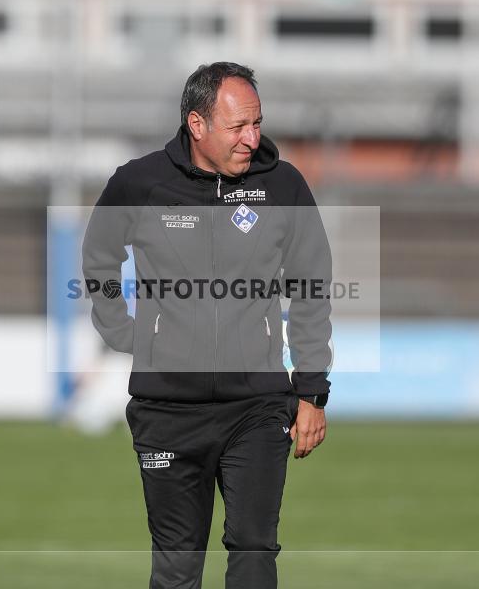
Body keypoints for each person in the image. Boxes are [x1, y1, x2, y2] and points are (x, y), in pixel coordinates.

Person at [82, 62, 332, 589]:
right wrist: (120, 330)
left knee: (254, 552)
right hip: (165, 409)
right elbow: (99, 256)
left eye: (257, 123)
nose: (252, 138)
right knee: (176, 566)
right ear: (197, 125)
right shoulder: (139, 181)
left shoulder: (282, 185)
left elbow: (312, 284)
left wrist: (311, 390)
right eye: (238, 127)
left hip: (258, 407)